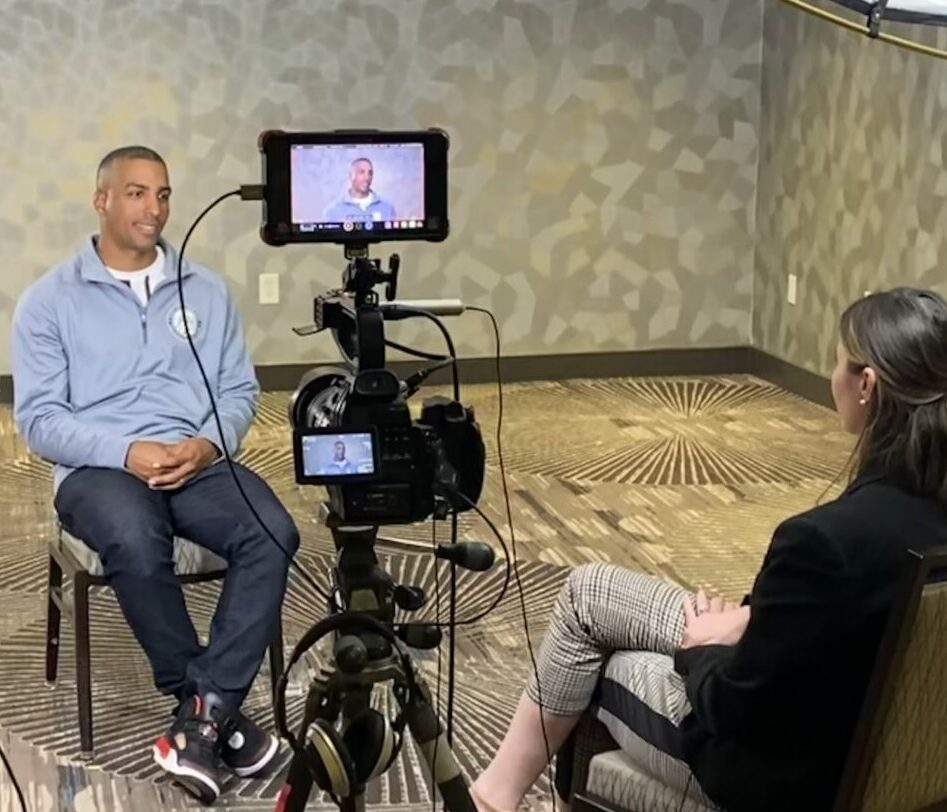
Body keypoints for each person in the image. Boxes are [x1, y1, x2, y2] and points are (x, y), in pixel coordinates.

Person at [471, 287, 947, 812]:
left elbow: (739, 709)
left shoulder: (823, 543)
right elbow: (833, 624)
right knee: (591, 591)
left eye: (837, 361)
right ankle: (496, 794)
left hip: (774, 779)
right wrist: (750, 620)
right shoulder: (907, 520)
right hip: (885, 755)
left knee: (599, 661)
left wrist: (700, 649)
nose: (832, 374)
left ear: (867, 386)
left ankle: (498, 796)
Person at [12, 146, 300, 805]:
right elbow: (42, 422)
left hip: (195, 461)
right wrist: (126, 451)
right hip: (98, 468)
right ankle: (202, 706)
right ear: (102, 199)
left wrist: (204, 445)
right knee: (136, 539)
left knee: (273, 532)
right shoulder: (48, 301)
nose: (155, 208)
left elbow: (238, 393)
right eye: (137, 193)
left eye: (163, 194)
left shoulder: (205, 289)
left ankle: (203, 717)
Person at [324, 157, 396, 224]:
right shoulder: (334, 211)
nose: (367, 178)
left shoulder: (387, 208)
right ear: (351, 176)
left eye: (370, 173)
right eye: (362, 172)